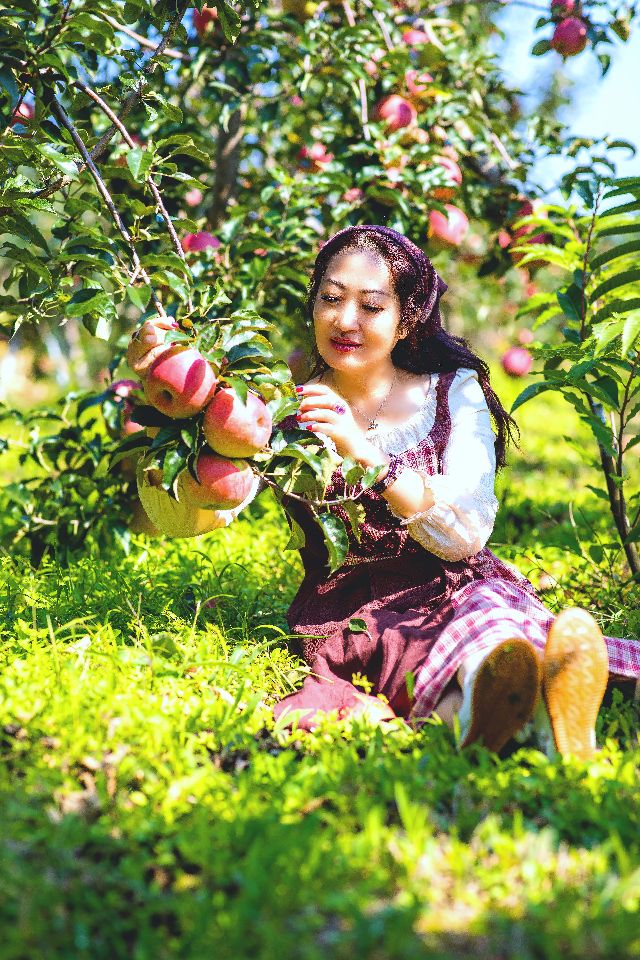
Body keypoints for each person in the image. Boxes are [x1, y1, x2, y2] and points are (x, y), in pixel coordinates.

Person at [264, 224, 640, 758]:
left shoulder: (450, 394)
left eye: (371, 306)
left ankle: (523, 708)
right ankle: (537, 721)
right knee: (416, 663)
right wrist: (182, 420)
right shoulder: (289, 408)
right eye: (330, 299)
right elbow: (209, 507)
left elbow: (464, 532)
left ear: (405, 320)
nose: (345, 320)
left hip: (453, 581)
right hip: (357, 610)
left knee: (493, 629)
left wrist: (366, 453)